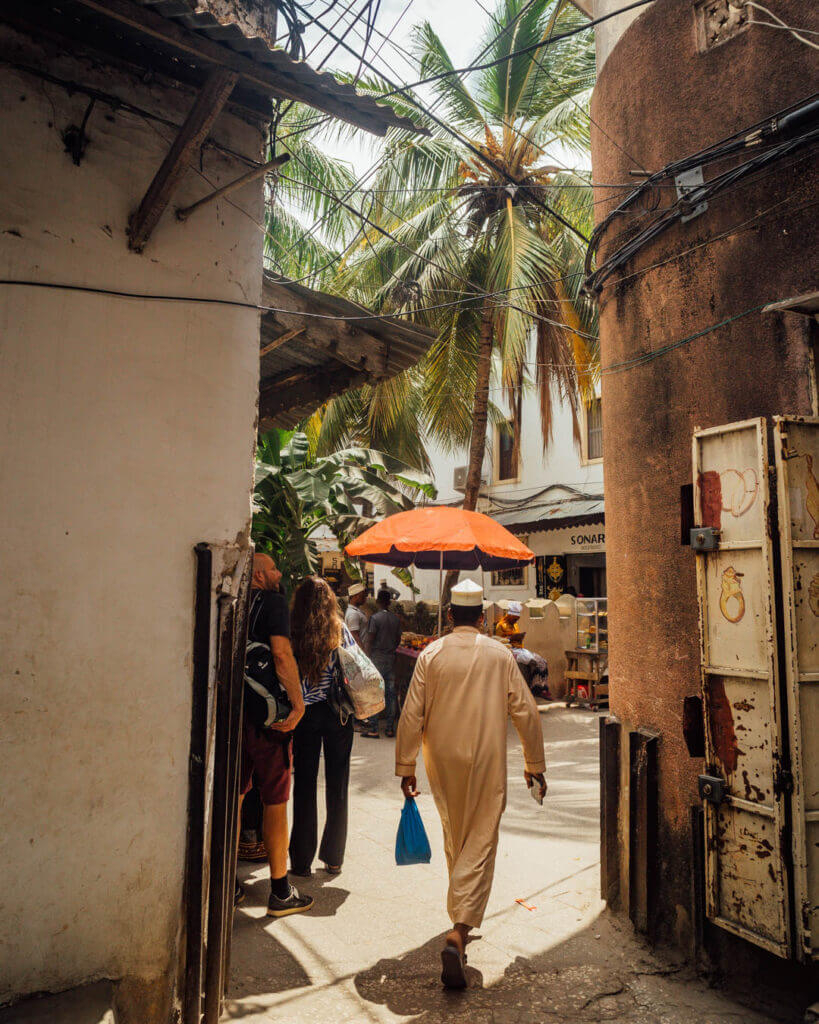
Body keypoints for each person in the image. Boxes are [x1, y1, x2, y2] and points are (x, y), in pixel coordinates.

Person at [396, 579, 547, 990]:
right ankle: (459, 930)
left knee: (456, 833)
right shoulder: (500, 654)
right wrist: (534, 763)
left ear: (449, 616)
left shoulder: (431, 654)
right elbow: (527, 714)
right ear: (482, 617)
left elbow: (411, 715)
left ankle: (459, 916)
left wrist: (406, 765)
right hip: (484, 757)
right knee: (480, 838)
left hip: (439, 759)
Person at [239, 553, 312, 917]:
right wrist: (298, 705)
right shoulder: (273, 601)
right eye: (270, 569)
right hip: (270, 720)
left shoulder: (232, 601)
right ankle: (281, 891)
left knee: (233, 795)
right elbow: (282, 655)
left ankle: (228, 884)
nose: (278, 573)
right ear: (257, 576)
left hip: (234, 714)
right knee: (275, 799)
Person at [289, 576, 357, 877]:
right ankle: (333, 858)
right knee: (337, 784)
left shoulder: (292, 632)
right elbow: (356, 664)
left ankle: (301, 861)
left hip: (303, 714)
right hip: (337, 714)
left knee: (304, 784)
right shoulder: (339, 630)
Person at [361, 589, 402, 739]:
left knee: (374, 693)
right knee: (391, 694)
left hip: (377, 658)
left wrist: (366, 658)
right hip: (391, 658)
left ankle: (374, 728)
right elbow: (398, 640)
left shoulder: (375, 618)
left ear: (378, 601)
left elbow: (370, 639)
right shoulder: (396, 619)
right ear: (389, 602)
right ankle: (390, 728)